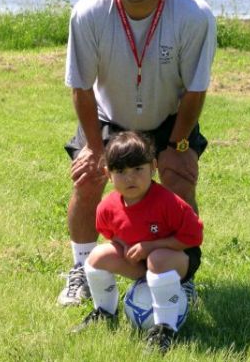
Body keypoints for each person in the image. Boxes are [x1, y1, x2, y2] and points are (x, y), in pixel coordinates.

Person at [58, 0, 216, 307]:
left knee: (178, 178)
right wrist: (95, 150)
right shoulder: (88, 12)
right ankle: (82, 268)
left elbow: (195, 89)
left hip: (169, 117)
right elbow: (81, 88)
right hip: (109, 115)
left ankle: (182, 274)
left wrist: (178, 144)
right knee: (87, 178)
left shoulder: (195, 14)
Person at [72, 131, 203, 354]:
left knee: (157, 259)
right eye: (121, 171)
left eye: (138, 169)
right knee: (96, 257)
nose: (130, 178)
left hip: (177, 259)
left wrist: (150, 246)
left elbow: (193, 237)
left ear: (153, 167)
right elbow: (110, 233)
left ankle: (165, 327)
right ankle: (104, 311)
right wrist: (121, 244)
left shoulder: (168, 202)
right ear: (108, 174)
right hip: (140, 260)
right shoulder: (107, 207)